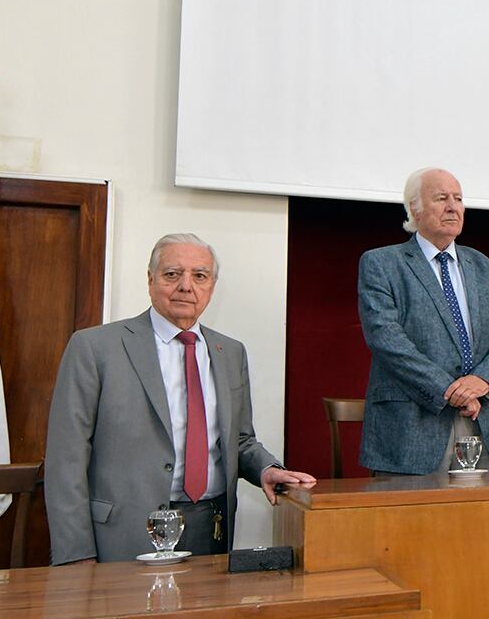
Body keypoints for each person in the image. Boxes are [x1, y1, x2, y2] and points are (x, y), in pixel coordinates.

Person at [45, 234, 316, 564]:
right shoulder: (95, 348)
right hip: (122, 536)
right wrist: (75, 555)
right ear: (150, 280)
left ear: (212, 287)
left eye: (199, 276)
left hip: (209, 528)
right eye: (172, 274)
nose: (186, 286)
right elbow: (65, 459)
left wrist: (266, 469)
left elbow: (239, 440)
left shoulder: (230, 353)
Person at [357, 167, 489, 474]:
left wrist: (481, 381)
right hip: (412, 431)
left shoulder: (485, 267)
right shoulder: (382, 263)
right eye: (441, 198)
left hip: (479, 422)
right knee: (410, 523)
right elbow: (386, 339)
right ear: (414, 209)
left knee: (477, 522)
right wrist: (452, 391)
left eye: (458, 198)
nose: (452, 207)